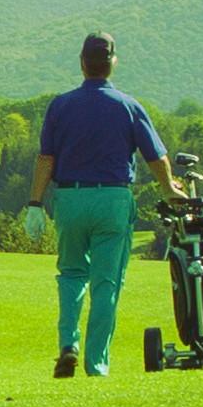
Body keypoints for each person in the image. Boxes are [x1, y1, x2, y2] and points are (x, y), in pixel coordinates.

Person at [33, 29, 170, 378]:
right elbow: (156, 158)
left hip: (70, 198)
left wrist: (34, 202)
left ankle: (68, 344)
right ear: (112, 63)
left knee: (71, 273)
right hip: (112, 198)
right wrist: (170, 188)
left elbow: (46, 159)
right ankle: (97, 364)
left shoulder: (60, 105)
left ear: (82, 64)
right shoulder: (128, 105)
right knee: (106, 281)